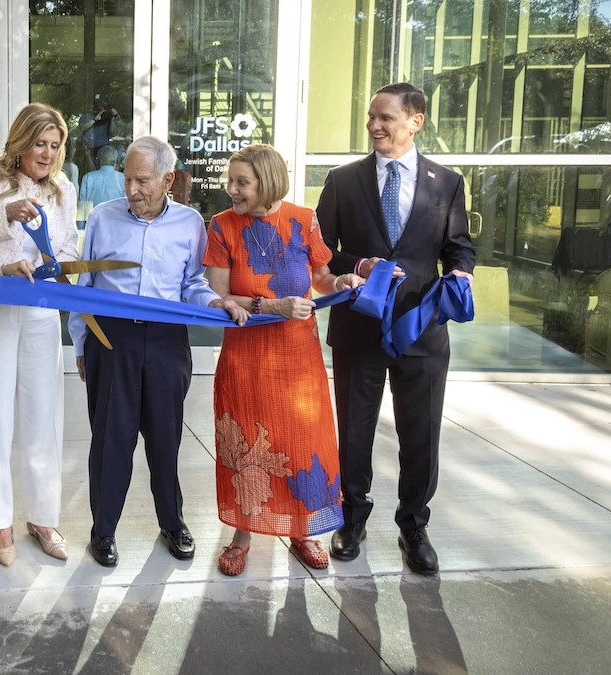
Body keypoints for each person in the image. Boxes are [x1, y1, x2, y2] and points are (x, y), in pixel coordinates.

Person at [316, 82, 475, 575]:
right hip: (358, 330)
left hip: (421, 331)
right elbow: (318, 250)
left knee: (421, 434)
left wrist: (462, 272)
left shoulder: (446, 183)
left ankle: (413, 526)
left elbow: (459, 246)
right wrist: (359, 264)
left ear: (415, 120)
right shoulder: (343, 180)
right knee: (355, 432)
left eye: (385, 117)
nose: (374, 126)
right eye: (370, 117)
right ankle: (352, 520)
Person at [204, 144, 364, 576]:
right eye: (230, 180)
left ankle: (303, 529)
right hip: (245, 357)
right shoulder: (221, 227)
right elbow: (218, 298)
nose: (231, 190)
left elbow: (321, 277)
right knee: (247, 448)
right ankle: (241, 535)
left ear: (268, 183)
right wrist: (271, 307)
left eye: (242, 182)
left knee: (299, 441)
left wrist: (342, 279)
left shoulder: (304, 219)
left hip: (297, 356)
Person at [69, 136, 222, 567]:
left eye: (143, 180)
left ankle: (172, 522)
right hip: (111, 341)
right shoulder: (102, 218)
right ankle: (103, 531)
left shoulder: (191, 223)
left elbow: (193, 282)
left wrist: (213, 303)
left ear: (168, 179)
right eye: (127, 178)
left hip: (166, 341)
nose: (132, 190)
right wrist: (82, 343)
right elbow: (86, 287)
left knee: (165, 439)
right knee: (110, 441)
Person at [0, 103, 78, 566]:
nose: (46, 153)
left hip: (41, 308)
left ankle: (43, 516)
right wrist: (4, 215)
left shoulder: (63, 187)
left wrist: (58, 263)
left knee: (44, 413)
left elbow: (68, 246)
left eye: (54, 145)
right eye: (39, 143)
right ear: (20, 141)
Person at [78, 144, 127, 209]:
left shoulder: (88, 177)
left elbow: (83, 205)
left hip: (94, 218)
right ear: (115, 160)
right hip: (117, 217)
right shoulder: (123, 178)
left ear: (100, 160)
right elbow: (126, 203)